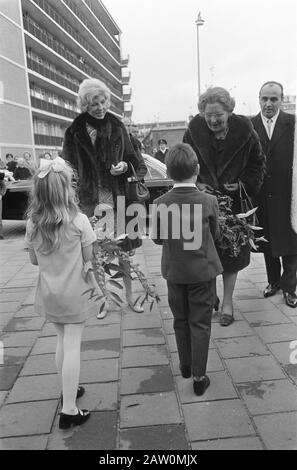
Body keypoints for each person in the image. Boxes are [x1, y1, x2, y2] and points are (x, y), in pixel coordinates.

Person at [183, 87, 266, 326]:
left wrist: (243, 183)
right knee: (205, 254)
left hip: (234, 206)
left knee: (231, 254)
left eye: (218, 114)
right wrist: (197, 184)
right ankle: (212, 298)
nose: (212, 120)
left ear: (229, 111)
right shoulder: (194, 131)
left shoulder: (245, 131)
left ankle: (228, 302)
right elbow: (184, 165)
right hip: (203, 205)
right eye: (208, 114)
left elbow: (258, 164)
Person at [62, 78, 144, 316]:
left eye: (102, 101)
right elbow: (67, 167)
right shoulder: (74, 131)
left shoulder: (117, 126)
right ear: (84, 105)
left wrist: (124, 166)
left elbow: (135, 161)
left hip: (119, 198)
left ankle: (129, 296)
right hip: (91, 202)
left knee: (125, 252)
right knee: (96, 253)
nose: (99, 107)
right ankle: (104, 300)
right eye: (93, 104)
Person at [25, 156, 96, 429]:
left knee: (60, 340)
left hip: (49, 292)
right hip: (75, 292)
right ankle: (69, 409)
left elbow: (33, 260)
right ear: (67, 189)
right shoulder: (79, 221)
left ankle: (69, 388)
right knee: (73, 344)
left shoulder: (33, 223)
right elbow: (88, 256)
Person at [151, 143, 223, 395]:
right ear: (197, 169)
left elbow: (158, 238)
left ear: (168, 172)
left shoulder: (160, 203)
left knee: (180, 320)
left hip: (175, 272)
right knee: (200, 323)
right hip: (202, 272)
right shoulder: (209, 200)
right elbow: (215, 234)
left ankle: (184, 364)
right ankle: (199, 376)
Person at [251, 81, 297, 308]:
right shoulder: (249, 125)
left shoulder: (292, 123)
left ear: (281, 99)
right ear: (259, 99)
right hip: (261, 194)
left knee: (289, 241)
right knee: (267, 240)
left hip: (288, 193)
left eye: (274, 99)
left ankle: (290, 288)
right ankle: (273, 282)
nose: (268, 104)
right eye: (265, 99)